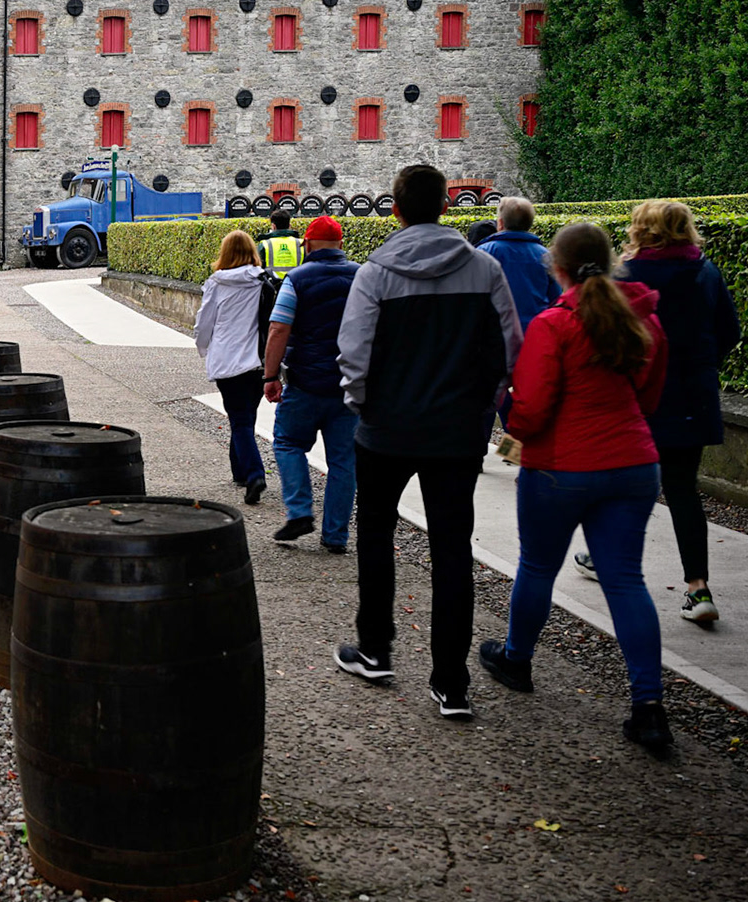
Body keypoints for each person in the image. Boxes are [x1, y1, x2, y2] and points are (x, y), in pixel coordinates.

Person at [333, 165, 522, 720]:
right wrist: (483, 407)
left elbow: (354, 351)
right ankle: (450, 683)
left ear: (394, 209)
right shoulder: (484, 269)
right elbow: (508, 349)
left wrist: (362, 403)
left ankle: (374, 649)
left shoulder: (375, 273)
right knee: (451, 550)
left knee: (374, 535)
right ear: (446, 206)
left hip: (385, 429)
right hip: (456, 432)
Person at [480, 222, 672, 752]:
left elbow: (532, 411)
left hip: (561, 467)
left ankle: (518, 659)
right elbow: (650, 398)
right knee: (626, 581)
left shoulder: (554, 324)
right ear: (611, 262)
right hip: (633, 463)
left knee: (539, 566)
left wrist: (511, 418)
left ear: (555, 268)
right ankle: (648, 705)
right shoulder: (644, 319)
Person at [577, 200, 741, 624]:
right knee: (683, 489)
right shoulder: (706, 271)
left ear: (641, 229)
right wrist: (704, 366)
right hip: (694, 395)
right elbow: (730, 331)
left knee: (627, 480)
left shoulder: (628, 275)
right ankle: (698, 590)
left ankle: (602, 553)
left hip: (640, 394)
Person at [262, 215, 359, 553]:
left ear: (308, 244)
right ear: (341, 245)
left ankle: (301, 510)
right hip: (349, 385)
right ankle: (336, 536)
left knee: (288, 442)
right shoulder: (362, 276)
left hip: (305, 382)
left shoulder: (297, 279)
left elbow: (278, 329)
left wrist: (270, 376)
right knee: (344, 461)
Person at [196, 230, 273, 505]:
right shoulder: (262, 281)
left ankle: (254, 474)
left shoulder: (217, 283)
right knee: (245, 417)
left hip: (229, 360)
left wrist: (204, 348)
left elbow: (204, 323)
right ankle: (239, 471)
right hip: (258, 360)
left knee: (239, 419)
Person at [478, 197, 561, 332]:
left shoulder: (484, 252)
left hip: (497, 333)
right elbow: (555, 298)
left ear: (500, 223)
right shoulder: (545, 256)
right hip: (536, 331)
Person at [257, 209, 303, 281]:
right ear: (289, 226)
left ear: (273, 226)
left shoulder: (265, 244)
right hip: (296, 285)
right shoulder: (301, 243)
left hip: (272, 287)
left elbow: (258, 269)